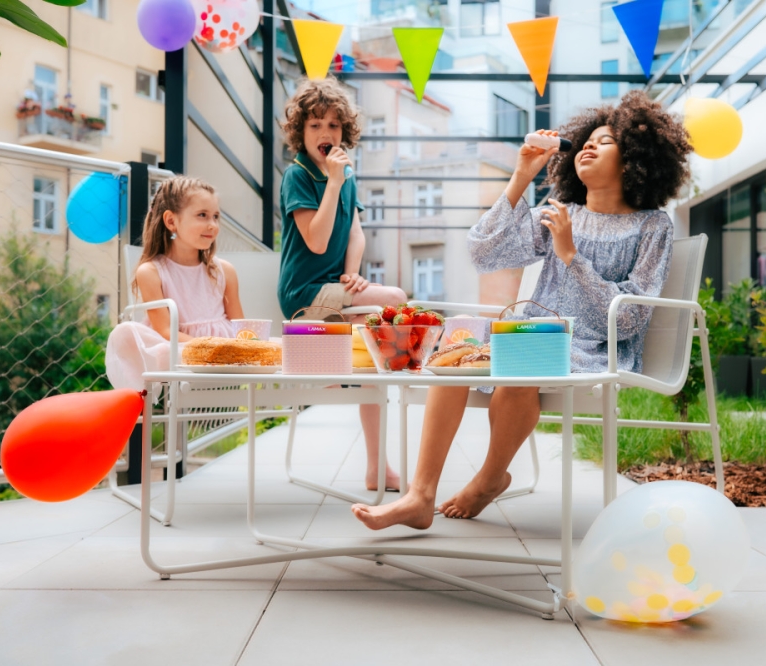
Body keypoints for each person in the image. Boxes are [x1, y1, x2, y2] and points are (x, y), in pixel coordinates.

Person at [352, 91, 693, 530]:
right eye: (586, 140)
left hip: (593, 348)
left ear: (635, 160)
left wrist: (571, 255)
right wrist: (519, 176)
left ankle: (490, 478)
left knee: (521, 364)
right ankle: (420, 496)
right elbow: (483, 253)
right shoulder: (558, 211)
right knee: (453, 356)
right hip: (531, 338)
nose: (588, 145)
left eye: (605, 142)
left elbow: (629, 319)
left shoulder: (652, 226)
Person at [278, 78, 408, 492]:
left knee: (374, 360)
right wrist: (332, 182)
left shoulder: (346, 175)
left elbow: (356, 232)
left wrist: (352, 272)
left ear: (344, 132)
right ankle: (333, 369)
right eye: (315, 125)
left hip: (334, 287)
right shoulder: (297, 176)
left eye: (334, 125)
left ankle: (377, 467)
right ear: (300, 132)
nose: (325, 134)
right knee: (394, 301)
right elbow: (315, 241)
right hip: (303, 294)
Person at [105, 176, 244, 390]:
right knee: (130, 336)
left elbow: (240, 325)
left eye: (216, 216)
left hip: (227, 358)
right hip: (183, 353)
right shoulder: (151, 272)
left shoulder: (224, 271)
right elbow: (165, 331)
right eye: (202, 215)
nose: (212, 225)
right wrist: (208, 348)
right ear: (171, 221)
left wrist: (233, 349)